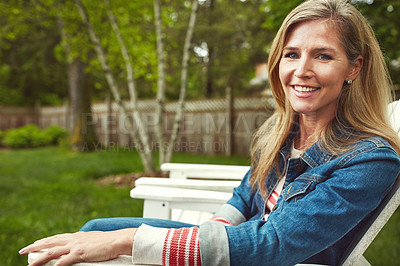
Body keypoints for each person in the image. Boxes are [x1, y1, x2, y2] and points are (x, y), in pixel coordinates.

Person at [20, 0, 400, 265]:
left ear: (354, 67)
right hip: (240, 243)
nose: (301, 70)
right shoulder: (286, 131)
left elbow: (273, 246)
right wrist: (212, 232)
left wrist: (129, 242)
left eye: (323, 55)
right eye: (291, 54)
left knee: (104, 241)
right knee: (94, 230)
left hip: (272, 259)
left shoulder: (370, 160)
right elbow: (245, 195)